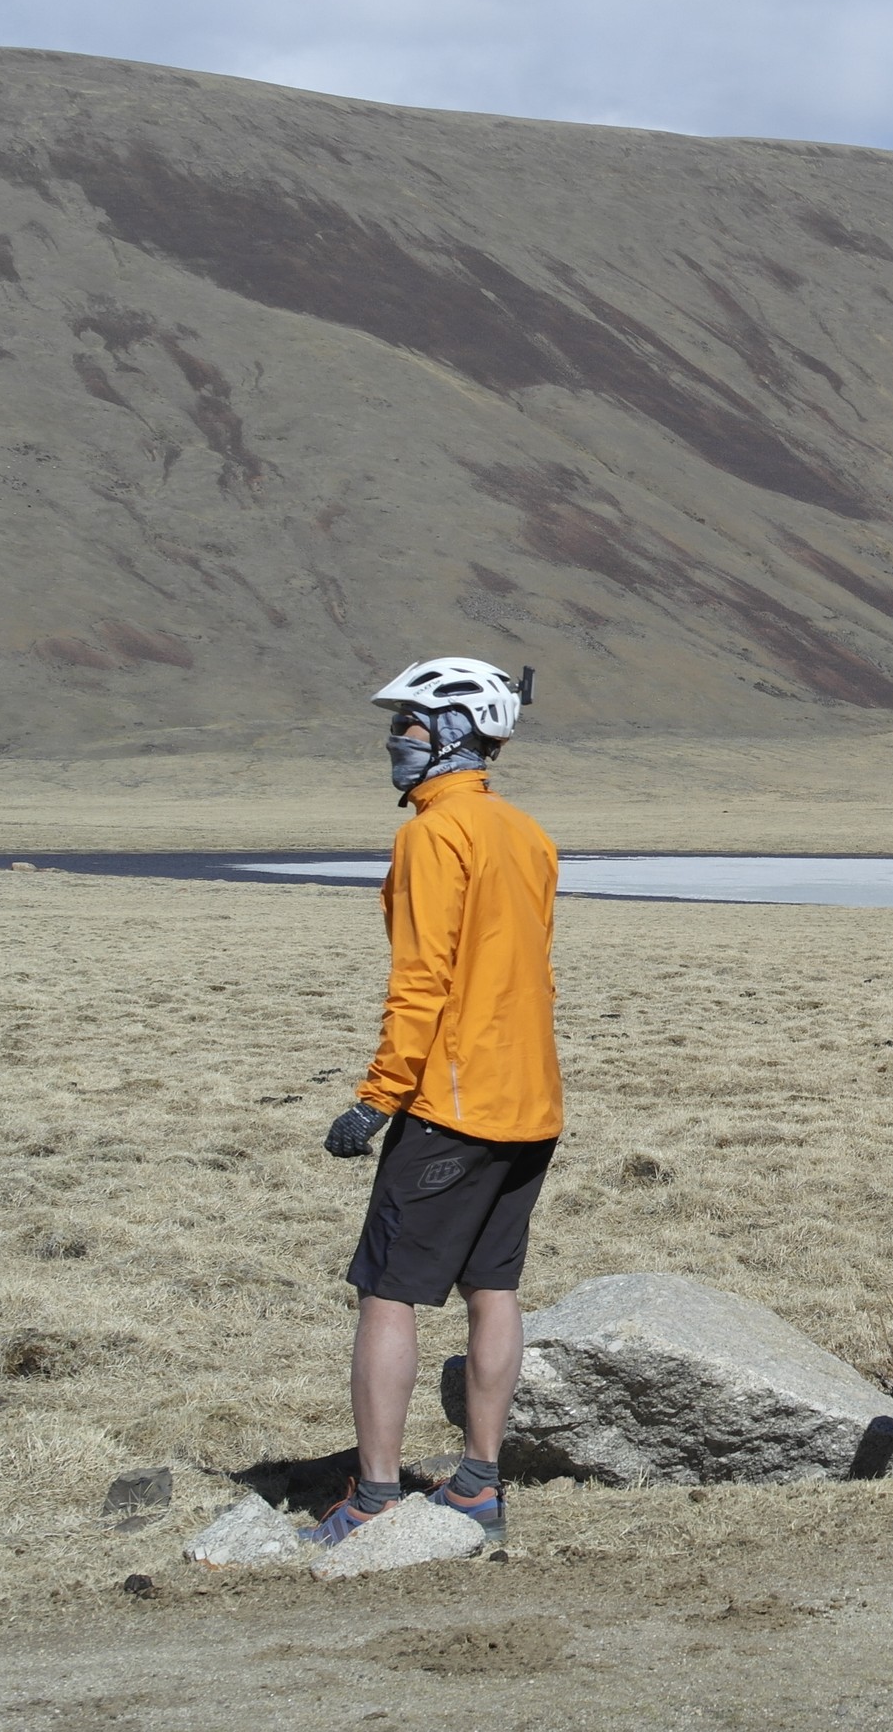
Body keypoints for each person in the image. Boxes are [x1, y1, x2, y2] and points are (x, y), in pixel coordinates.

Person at [303, 657, 559, 1547]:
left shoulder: (430, 837)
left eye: (409, 725)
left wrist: (375, 1103)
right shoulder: (524, 833)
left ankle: (373, 1499)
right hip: (531, 1105)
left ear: (454, 732)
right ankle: (478, 1488)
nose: (395, 741)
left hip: (452, 1104)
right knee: (494, 1285)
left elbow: (422, 982)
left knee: (388, 1294)